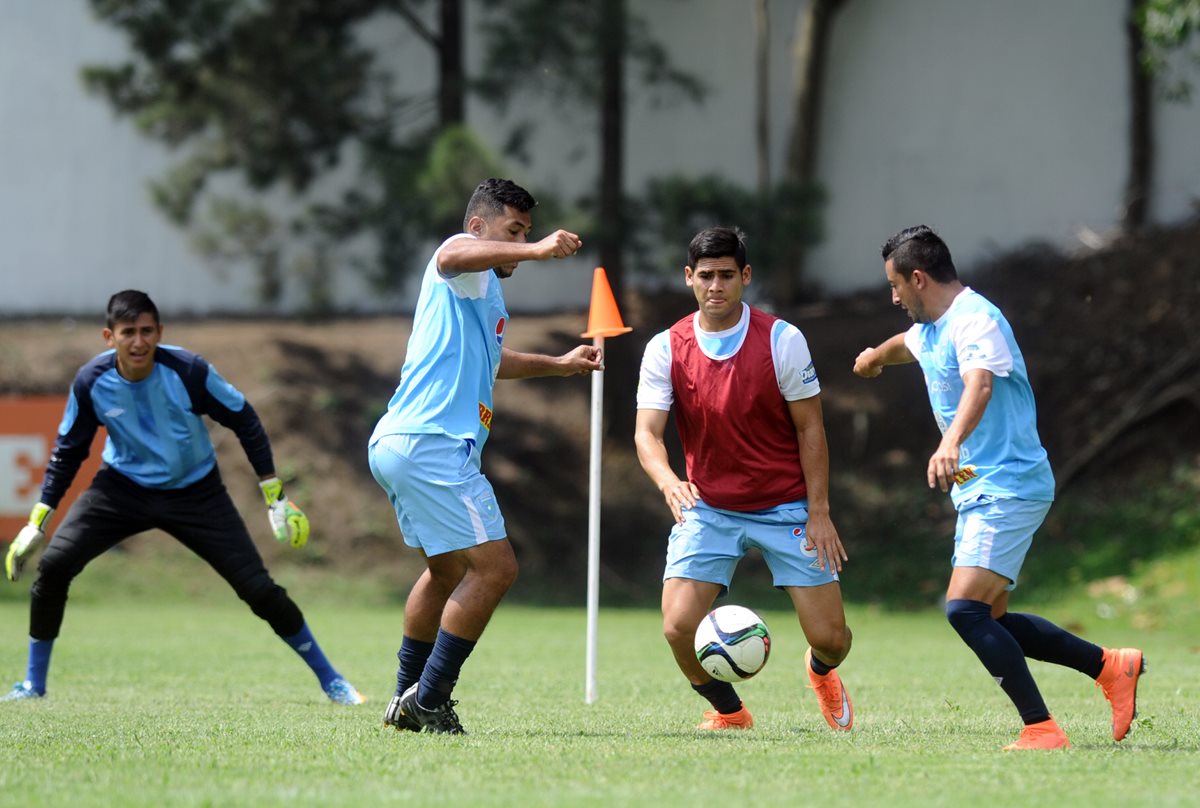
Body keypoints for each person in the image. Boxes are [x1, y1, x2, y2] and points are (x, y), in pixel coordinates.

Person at [853, 225, 1145, 750]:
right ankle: (1109, 666)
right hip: (984, 488)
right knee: (992, 617)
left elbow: (980, 384)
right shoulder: (934, 327)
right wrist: (876, 354)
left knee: (964, 610)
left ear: (918, 278)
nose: (892, 297)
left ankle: (1041, 728)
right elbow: (909, 346)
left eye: (895, 286)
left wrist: (950, 444)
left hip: (1008, 484)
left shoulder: (976, 321)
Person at [2, 290, 365, 706]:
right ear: (109, 336)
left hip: (196, 491)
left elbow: (244, 419)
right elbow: (68, 452)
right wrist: (37, 522)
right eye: (128, 333)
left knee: (259, 590)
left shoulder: (188, 371)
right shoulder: (91, 382)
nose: (138, 342)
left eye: (146, 331)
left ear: (159, 332)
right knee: (53, 567)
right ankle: (33, 685)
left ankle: (332, 681)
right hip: (120, 489)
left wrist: (275, 496)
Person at [369, 178, 602, 735]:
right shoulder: (462, 260)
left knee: (446, 571)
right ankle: (429, 699)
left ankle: (407, 695)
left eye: (527, 230)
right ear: (479, 226)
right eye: (513, 230)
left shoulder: (483, 292)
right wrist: (538, 250)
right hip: (432, 444)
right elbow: (450, 253)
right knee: (496, 569)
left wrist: (562, 363)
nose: (523, 241)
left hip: (400, 442)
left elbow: (492, 362)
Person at [634, 226, 854, 733]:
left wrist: (819, 513)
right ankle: (729, 712)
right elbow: (647, 435)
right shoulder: (665, 348)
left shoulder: (782, 340)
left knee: (832, 638)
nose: (716, 286)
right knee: (677, 627)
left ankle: (820, 672)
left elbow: (811, 430)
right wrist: (669, 481)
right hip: (708, 506)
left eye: (726, 275)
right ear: (689, 278)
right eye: (705, 275)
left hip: (786, 506)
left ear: (745, 277)